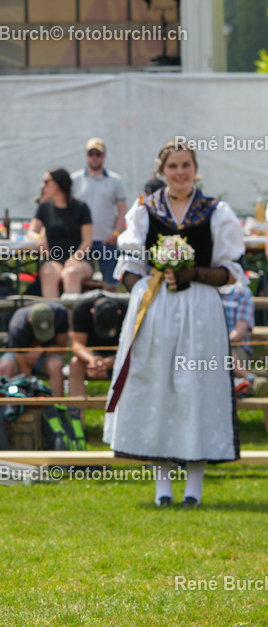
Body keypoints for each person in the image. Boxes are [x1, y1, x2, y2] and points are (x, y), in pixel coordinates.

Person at [104, 139, 244, 506]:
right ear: (161, 171)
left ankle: (194, 490)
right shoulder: (145, 209)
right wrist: (146, 292)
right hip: (155, 310)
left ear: (195, 169)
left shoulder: (216, 211)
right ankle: (163, 489)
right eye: (173, 166)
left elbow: (231, 271)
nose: (180, 172)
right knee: (157, 390)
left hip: (200, 311)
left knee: (198, 390)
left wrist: (192, 272)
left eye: (186, 165)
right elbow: (128, 264)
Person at [28, 168, 94, 298]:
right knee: (48, 273)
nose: (43, 186)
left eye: (46, 181)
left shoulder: (81, 208)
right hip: (54, 260)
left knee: (71, 273)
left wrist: (75, 258)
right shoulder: (44, 208)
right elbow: (31, 231)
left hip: (80, 260)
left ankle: (71, 318)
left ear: (58, 184)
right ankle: (53, 316)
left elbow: (87, 241)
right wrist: (38, 238)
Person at [72, 138, 127, 291]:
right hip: (81, 241)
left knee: (111, 283)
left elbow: (122, 209)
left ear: (104, 156)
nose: (95, 157)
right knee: (76, 279)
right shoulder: (75, 179)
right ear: (86, 155)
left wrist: (116, 233)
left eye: (98, 153)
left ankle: (112, 312)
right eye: (91, 153)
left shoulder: (115, 180)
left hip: (106, 240)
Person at [0, 302, 69, 397]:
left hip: (46, 355)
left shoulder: (61, 313)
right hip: (17, 355)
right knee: (4, 367)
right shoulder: (18, 326)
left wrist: (43, 350)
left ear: (53, 316)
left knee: (56, 365)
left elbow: (63, 349)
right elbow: (25, 373)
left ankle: (57, 407)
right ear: (30, 321)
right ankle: (5, 408)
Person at [67, 290, 126, 398]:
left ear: (119, 313)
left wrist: (110, 362)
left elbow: (132, 348)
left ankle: (126, 411)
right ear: (92, 312)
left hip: (120, 356)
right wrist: (92, 361)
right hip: (91, 355)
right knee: (75, 363)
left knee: (133, 363)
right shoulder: (81, 309)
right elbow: (77, 345)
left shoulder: (127, 310)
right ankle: (75, 411)